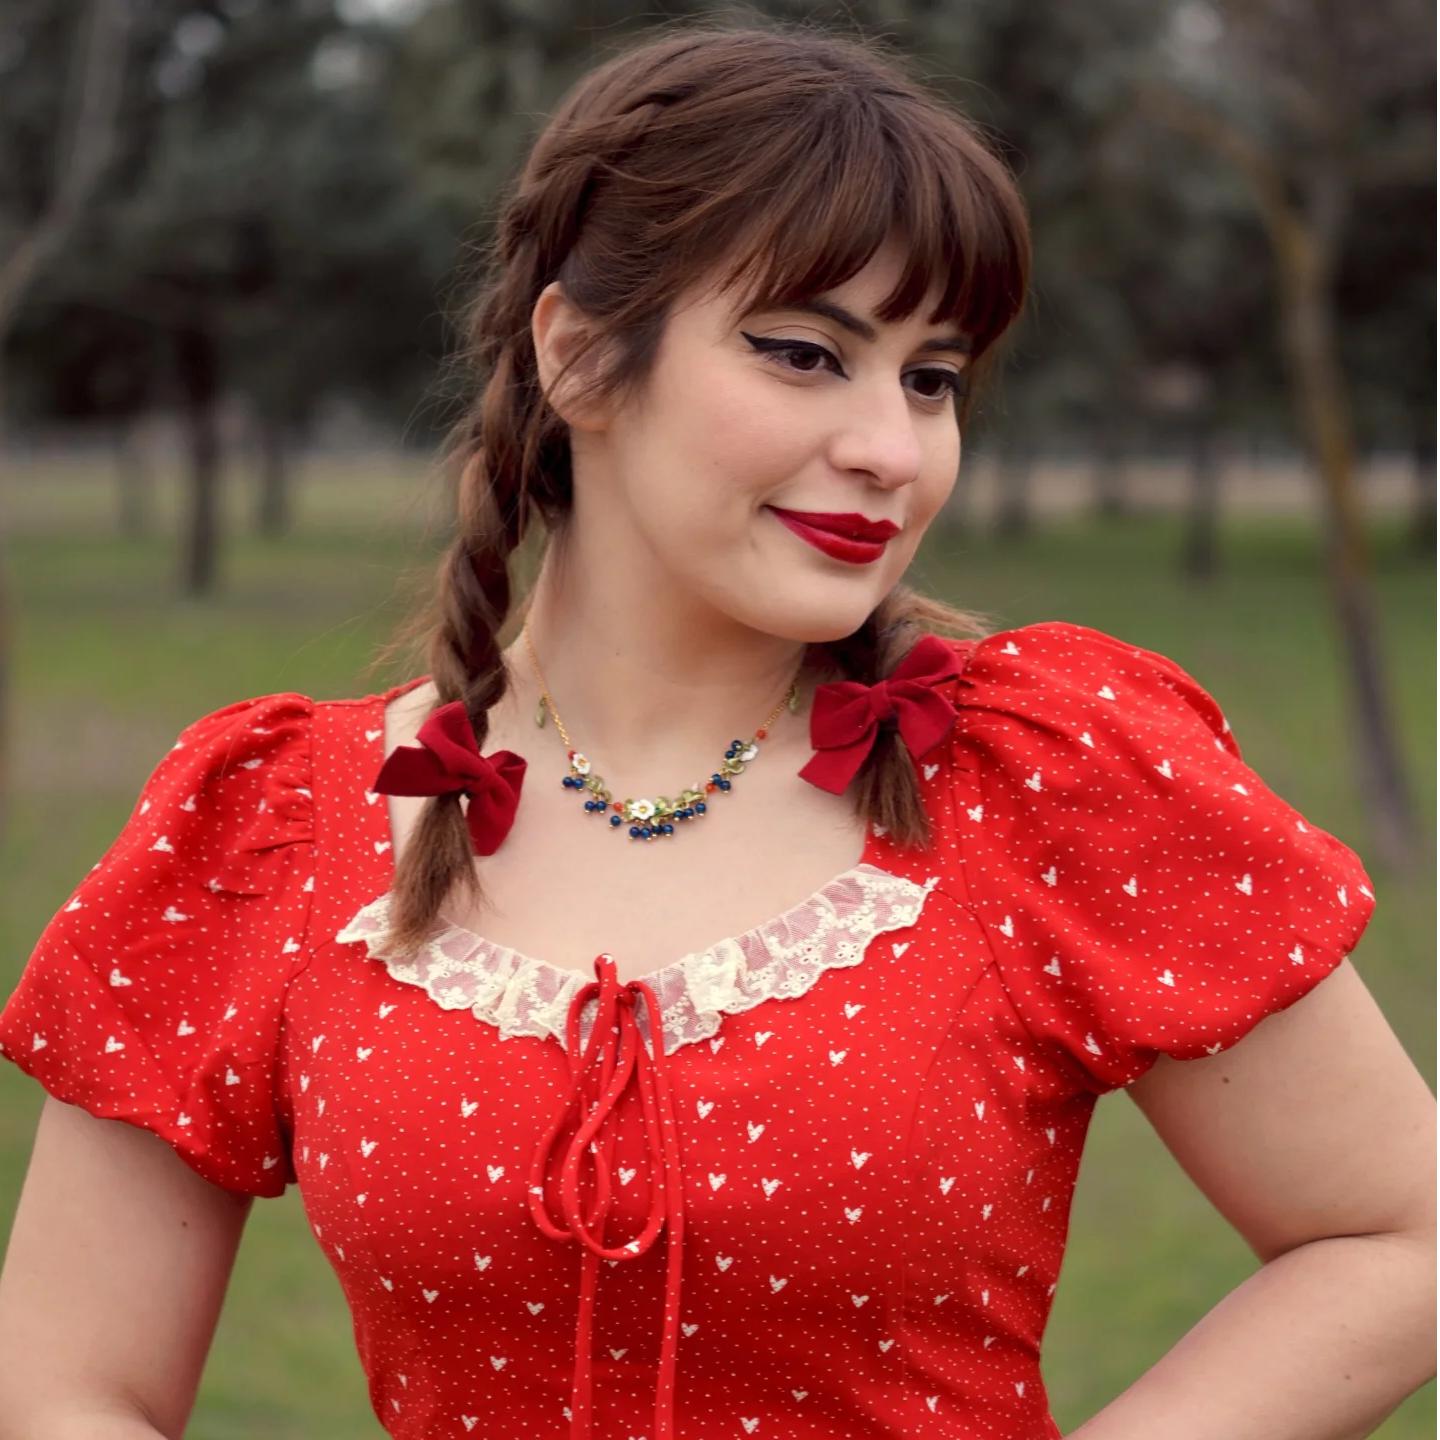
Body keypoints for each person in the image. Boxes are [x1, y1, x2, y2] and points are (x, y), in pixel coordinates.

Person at [0, 20, 1432, 1440]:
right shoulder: (274, 824)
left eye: (932, 377)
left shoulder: (1042, 776)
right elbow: (69, 1384)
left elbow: (1397, 1240)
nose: (891, 447)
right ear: (578, 356)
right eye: (807, 354)